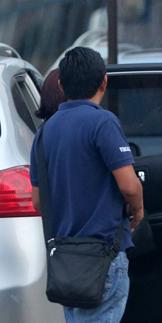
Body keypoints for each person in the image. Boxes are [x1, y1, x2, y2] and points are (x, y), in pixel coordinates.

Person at [30, 47, 144, 322]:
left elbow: (37, 201)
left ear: (61, 83)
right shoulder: (102, 122)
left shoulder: (44, 132)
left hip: (66, 259)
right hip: (103, 254)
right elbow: (129, 185)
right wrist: (137, 210)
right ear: (104, 81)